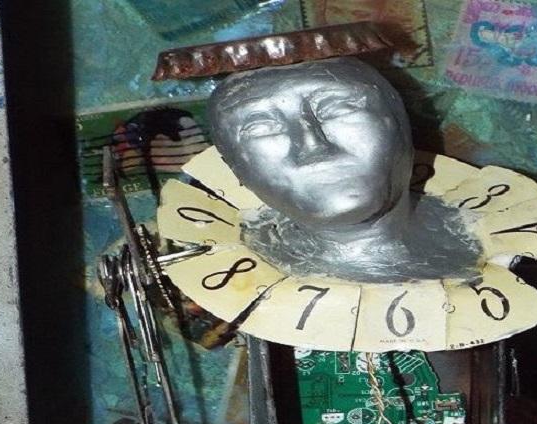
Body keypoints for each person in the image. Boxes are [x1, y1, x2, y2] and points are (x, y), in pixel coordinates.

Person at [205, 57, 482, 283]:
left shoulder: (492, 246)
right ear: (234, 167)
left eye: (336, 108)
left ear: (400, 126)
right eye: (262, 128)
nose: (313, 146)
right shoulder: (240, 290)